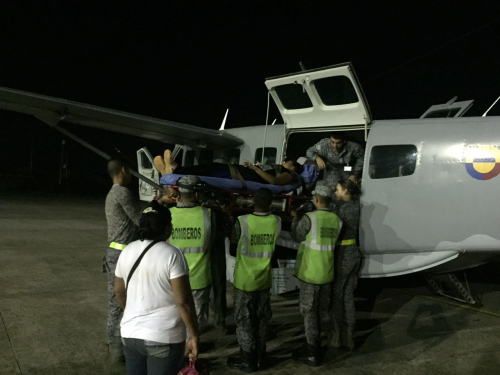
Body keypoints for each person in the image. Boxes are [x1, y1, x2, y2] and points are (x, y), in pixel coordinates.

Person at [114, 201, 200, 375]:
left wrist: (134, 312)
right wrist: (194, 335)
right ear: (167, 227)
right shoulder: (172, 254)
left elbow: (118, 291)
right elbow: (183, 302)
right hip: (164, 337)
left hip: (130, 335)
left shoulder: (128, 250)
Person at [227, 188, 281, 372]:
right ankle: (260, 356)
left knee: (245, 320)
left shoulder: (242, 221)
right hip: (264, 280)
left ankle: (247, 358)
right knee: (262, 318)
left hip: (245, 281)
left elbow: (234, 246)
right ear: (271, 203)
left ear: (252, 202)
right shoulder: (277, 221)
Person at [290, 185, 342, 367]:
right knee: (320, 311)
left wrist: (296, 217)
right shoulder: (337, 220)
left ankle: (312, 351)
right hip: (327, 273)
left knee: (309, 312)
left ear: (317, 200)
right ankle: (318, 344)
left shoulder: (309, 218)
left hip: (310, 274)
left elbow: (296, 236)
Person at [104, 158, 141, 362]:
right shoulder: (122, 193)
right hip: (121, 255)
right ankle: (116, 349)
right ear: (124, 171)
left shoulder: (112, 193)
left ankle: (114, 344)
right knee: (119, 301)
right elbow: (139, 220)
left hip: (116, 253)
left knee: (116, 300)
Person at [168, 175, 216, 332]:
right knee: (196, 321)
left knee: (175, 318)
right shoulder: (208, 214)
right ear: (196, 194)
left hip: (173, 279)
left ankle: (178, 351)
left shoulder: (168, 215)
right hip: (199, 278)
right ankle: (192, 353)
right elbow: (213, 240)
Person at [154, 149, 303, 186]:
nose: (285, 161)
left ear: (292, 166)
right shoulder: (276, 167)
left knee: (211, 169)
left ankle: (176, 170)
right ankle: (172, 170)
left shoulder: (289, 175)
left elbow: (275, 182)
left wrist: (255, 168)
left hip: (241, 175)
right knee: (212, 167)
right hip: (241, 171)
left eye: (288, 161)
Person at [331, 179, 362, 351]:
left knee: (337, 297)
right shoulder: (358, 206)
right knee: (349, 297)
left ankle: (336, 335)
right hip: (354, 254)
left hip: (343, 255)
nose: (336, 193)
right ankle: (349, 336)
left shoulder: (343, 210)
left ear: (345, 192)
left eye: (337, 190)